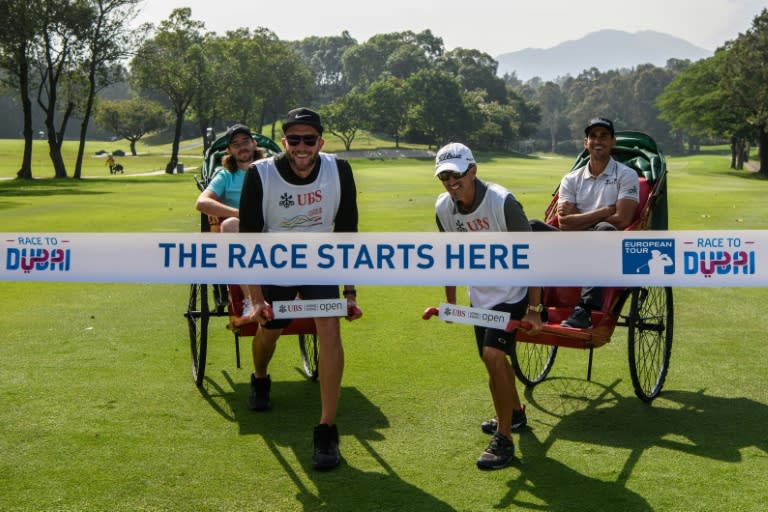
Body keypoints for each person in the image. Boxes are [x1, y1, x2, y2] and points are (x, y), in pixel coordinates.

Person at [238, 107, 362, 471]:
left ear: (321, 142)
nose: (302, 147)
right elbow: (246, 243)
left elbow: (349, 231)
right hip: (272, 262)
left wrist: (349, 292)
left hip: (319, 263)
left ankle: (327, 429)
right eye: (295, 140)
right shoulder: (260, 174)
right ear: (284, 142)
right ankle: (260, 378)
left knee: (330, 330)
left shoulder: (338, 170)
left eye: (310, 140)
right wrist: (256, 299)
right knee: (270, 332)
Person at [433, 142, 543, 470]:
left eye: (458, 174)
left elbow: (533, 257)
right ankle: (517, 413)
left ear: (473, 171)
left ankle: (504, 438)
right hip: (480, 294)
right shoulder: (443, 208)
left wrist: (534, 309)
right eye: (445, 176)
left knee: (493, 355)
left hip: (513, 292)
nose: (452, 182)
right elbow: (449, 256)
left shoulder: (502, 202)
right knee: (492, 360)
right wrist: (451, 302)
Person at [531, 117, 639, 328]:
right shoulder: (571, 178)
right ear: (586, 142)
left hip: (606, 245)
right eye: (593, 136)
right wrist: (604, 210)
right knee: (531, 227)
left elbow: (622, 219)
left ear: (613, 141)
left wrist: (581, 216)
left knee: (604, 229)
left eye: (604, 136)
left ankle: (585, 310)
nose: (598, 141)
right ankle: (533, 303)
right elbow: (564, 223)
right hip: (571, 240)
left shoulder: (627, 175)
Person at [195, 124, 265, 315]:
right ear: (229, 150)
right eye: (236, 144)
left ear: (254, 144)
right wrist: (239, 213)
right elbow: (202, 202)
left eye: (245, 142)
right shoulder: (226, 176)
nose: (242, 147)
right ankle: (250, 300)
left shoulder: (269, 168)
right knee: (230, 224)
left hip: (271, 226)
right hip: (240, 229)